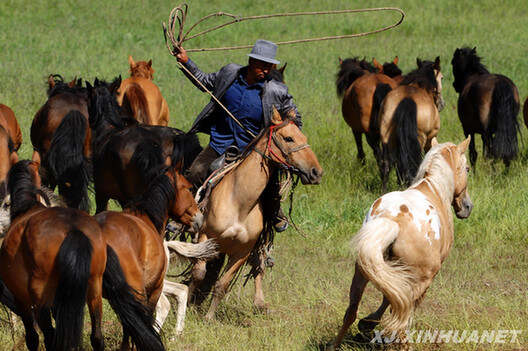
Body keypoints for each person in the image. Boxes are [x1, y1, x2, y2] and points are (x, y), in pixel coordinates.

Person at [175, 39, 301, 232]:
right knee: (195, 173)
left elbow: (294, 116)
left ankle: (274, 215)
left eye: (269, 66)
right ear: (251, 62)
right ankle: (182, 217)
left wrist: (290, 120)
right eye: (262, 65)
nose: (266, 71)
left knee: (269, 187)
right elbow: (204, 81)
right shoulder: (230, 74)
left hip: (252, 150)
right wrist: (186, 61)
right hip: (220, 142)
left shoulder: (276, 90)